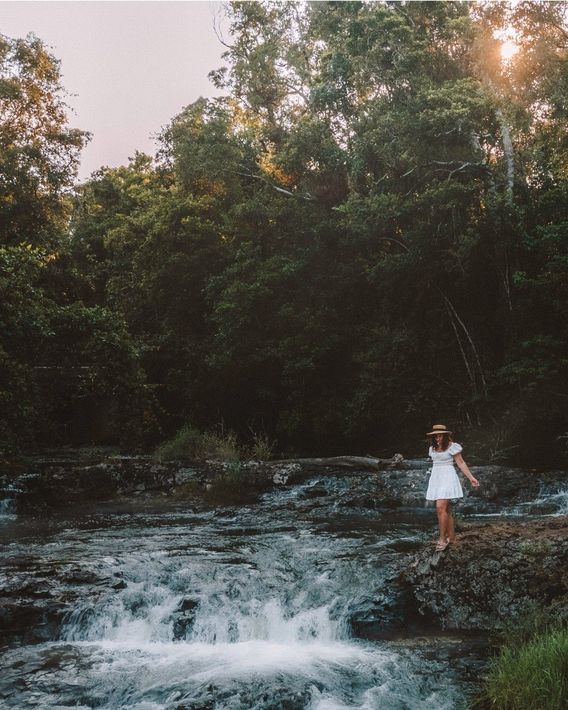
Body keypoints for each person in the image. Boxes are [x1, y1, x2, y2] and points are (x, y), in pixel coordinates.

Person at [425, 424, 479, 551]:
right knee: (446, 509)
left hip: (448, 478)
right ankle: (452, 538)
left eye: (440, 436)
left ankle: (442, 539)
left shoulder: (452, 446)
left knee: (440, 507)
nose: (438, 439)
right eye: (435, 436)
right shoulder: (432, 448)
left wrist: (471, 477)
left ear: (445, 435)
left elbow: (461, 463)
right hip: (436, 478)